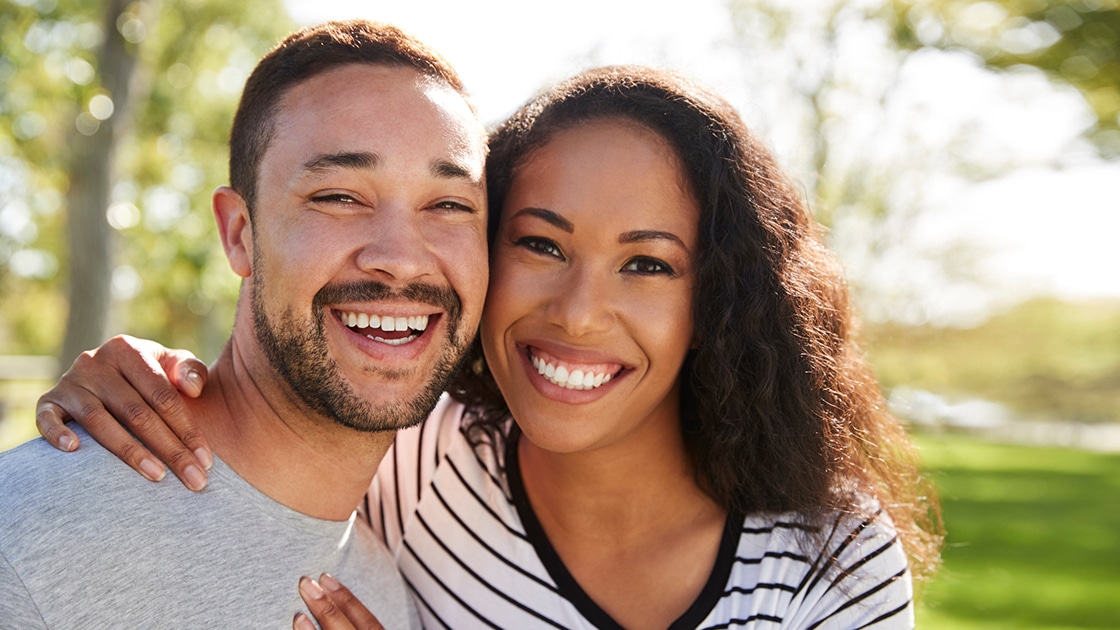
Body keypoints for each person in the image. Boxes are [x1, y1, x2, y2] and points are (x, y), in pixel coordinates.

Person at [36, 67, 941, 629]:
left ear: (722, 298)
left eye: (648, 264)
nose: (580, 314)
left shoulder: (831, 559)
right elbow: (308, 377)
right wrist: (143, 380)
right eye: (541, 244)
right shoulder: (423, 464)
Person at [0, 19, 492, 628]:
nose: (401, 256)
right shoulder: (30, 541)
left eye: (448, 205)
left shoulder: (389, 593)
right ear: (240, 234)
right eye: (338, 196)